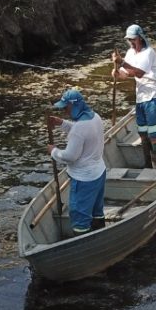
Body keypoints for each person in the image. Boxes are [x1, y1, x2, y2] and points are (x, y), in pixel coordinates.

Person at [48, 87, 106, 233]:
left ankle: (83, 246)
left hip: (84, 179)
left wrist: (53, 151)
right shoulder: (95, 117)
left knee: (80, 219)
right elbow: (83, 133)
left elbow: (70, 156)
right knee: (97, 211)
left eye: (66, 108)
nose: (65, 111)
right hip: (99, 173)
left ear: (74, 105)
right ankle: (100, 234)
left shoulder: (79, 129)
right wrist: (62, 123)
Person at [111, 24, 156, 169]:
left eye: (133, 39)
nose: (131, 43)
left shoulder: (148, 52)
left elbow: (140, 72)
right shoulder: (130, 53)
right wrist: (117, 73)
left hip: (154, 97)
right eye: (129, 40)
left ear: (140, 38)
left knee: (154, 136)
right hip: (141, 98)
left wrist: (122, 62)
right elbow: (126, 73)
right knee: (143, 134)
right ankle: (148, 166)